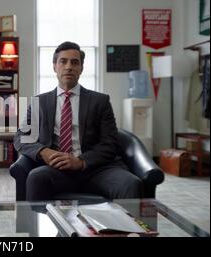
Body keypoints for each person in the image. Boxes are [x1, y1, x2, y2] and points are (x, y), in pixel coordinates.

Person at [14, 41, 142, 200]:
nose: (69, 67)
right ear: (54, 66)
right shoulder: (39, 102)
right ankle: (36, 225)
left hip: (97, 169)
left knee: (131, 184)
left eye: (75, 62)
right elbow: (21, 137)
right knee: (36, 177)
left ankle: (123, 226)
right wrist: (43, 152)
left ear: (81, 68)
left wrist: (81, 162)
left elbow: (110, 143)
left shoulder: (100, 101)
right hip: (56, 169)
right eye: (63, 61)